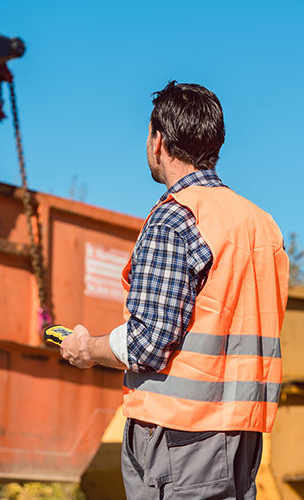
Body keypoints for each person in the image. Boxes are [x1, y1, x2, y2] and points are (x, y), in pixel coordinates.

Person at [60, 81, 289, 499]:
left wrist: (86, 349)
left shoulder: (175, 220)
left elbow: (149, 344)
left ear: (157, 140)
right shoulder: (263, 226)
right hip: (242, 432)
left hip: (181, 437)